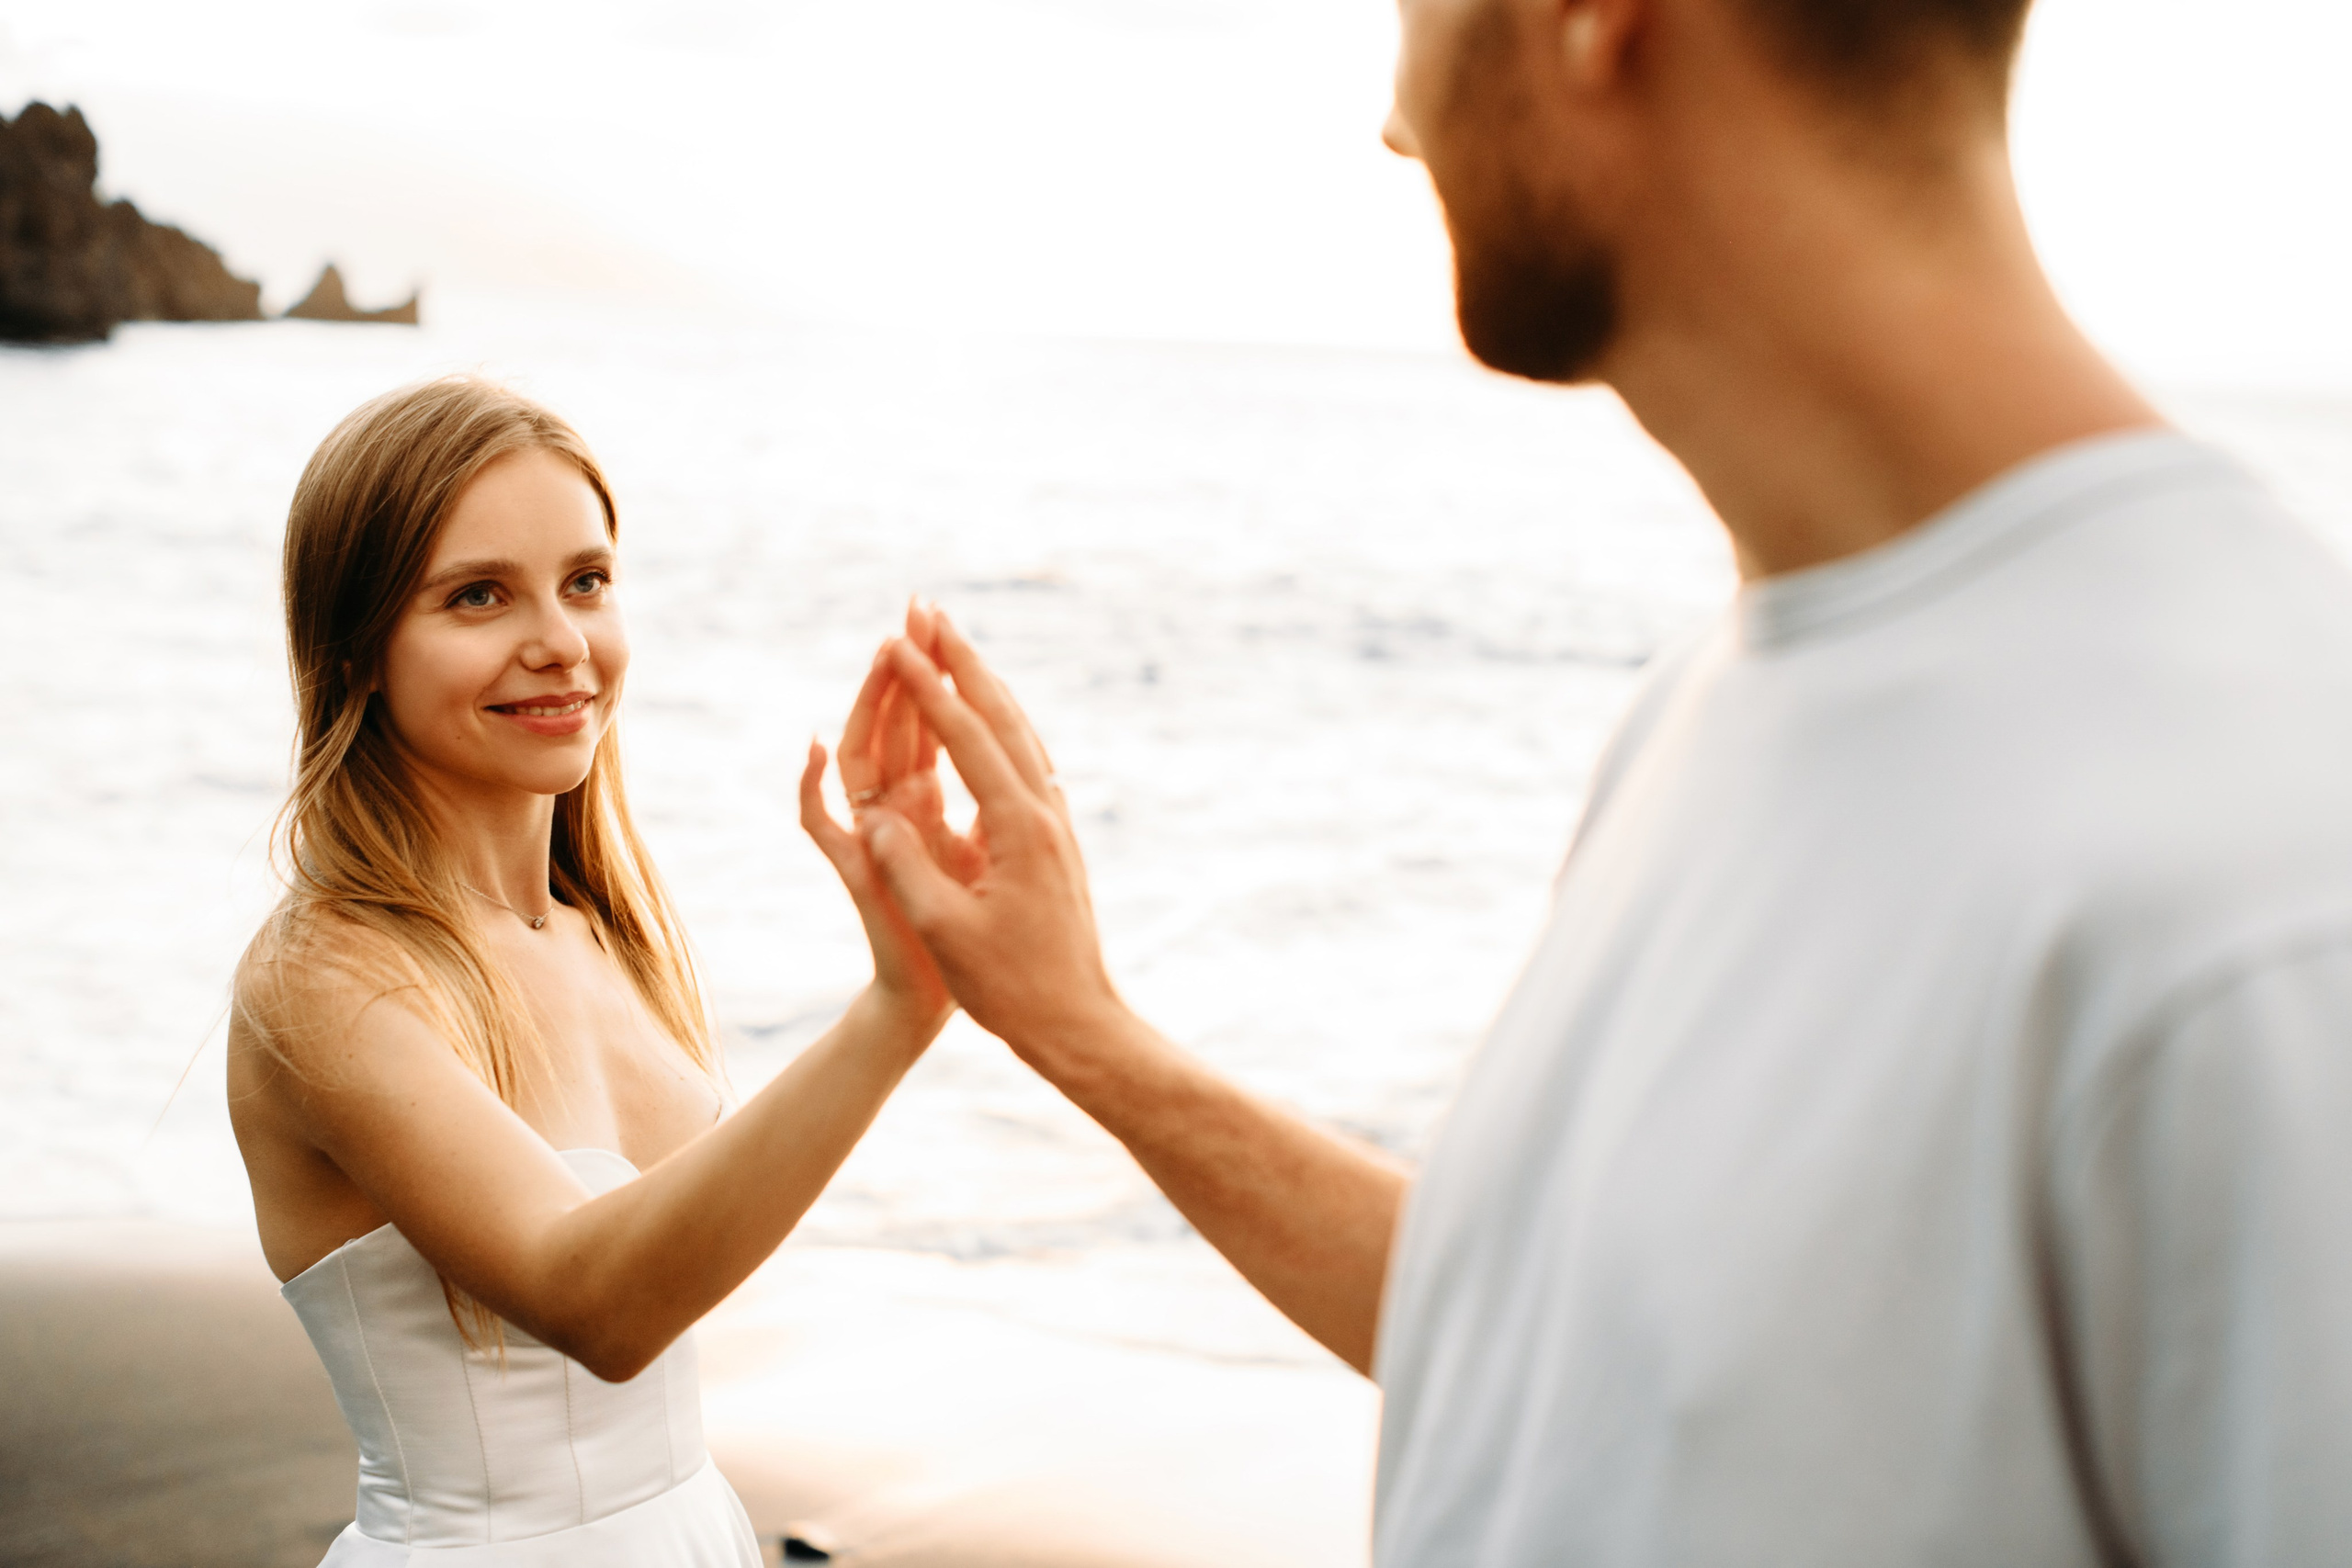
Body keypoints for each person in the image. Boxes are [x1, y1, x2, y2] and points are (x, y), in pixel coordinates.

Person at [841, 0, 2352, 1562]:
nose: (1396, 121)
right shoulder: (1716, 703)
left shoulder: (2262, 890)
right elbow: (1570, 1353)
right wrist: (1081, 1031)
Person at [227, 376, 955, 1566]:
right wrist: (899, 1009)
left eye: (587, 582)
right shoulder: (327, 978)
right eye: (477, 595)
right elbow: (600, 1307)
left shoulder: (607, 934)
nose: (561, 643)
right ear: (357, 647)